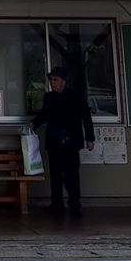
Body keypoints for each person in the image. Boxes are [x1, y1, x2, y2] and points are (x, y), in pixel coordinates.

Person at [31, 66, 94, 215]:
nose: (52, 83)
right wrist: (32, 124)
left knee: (71, 175)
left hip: (71, 141)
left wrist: (90, 138)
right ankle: (56, 204)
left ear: (64, 81)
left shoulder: (76, 96)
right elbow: (44, 115)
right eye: (51, 80)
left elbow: (86, 117)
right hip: (54, 141)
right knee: (55, 176)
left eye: (55, 80)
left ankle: (74, 205)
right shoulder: (49, 97)